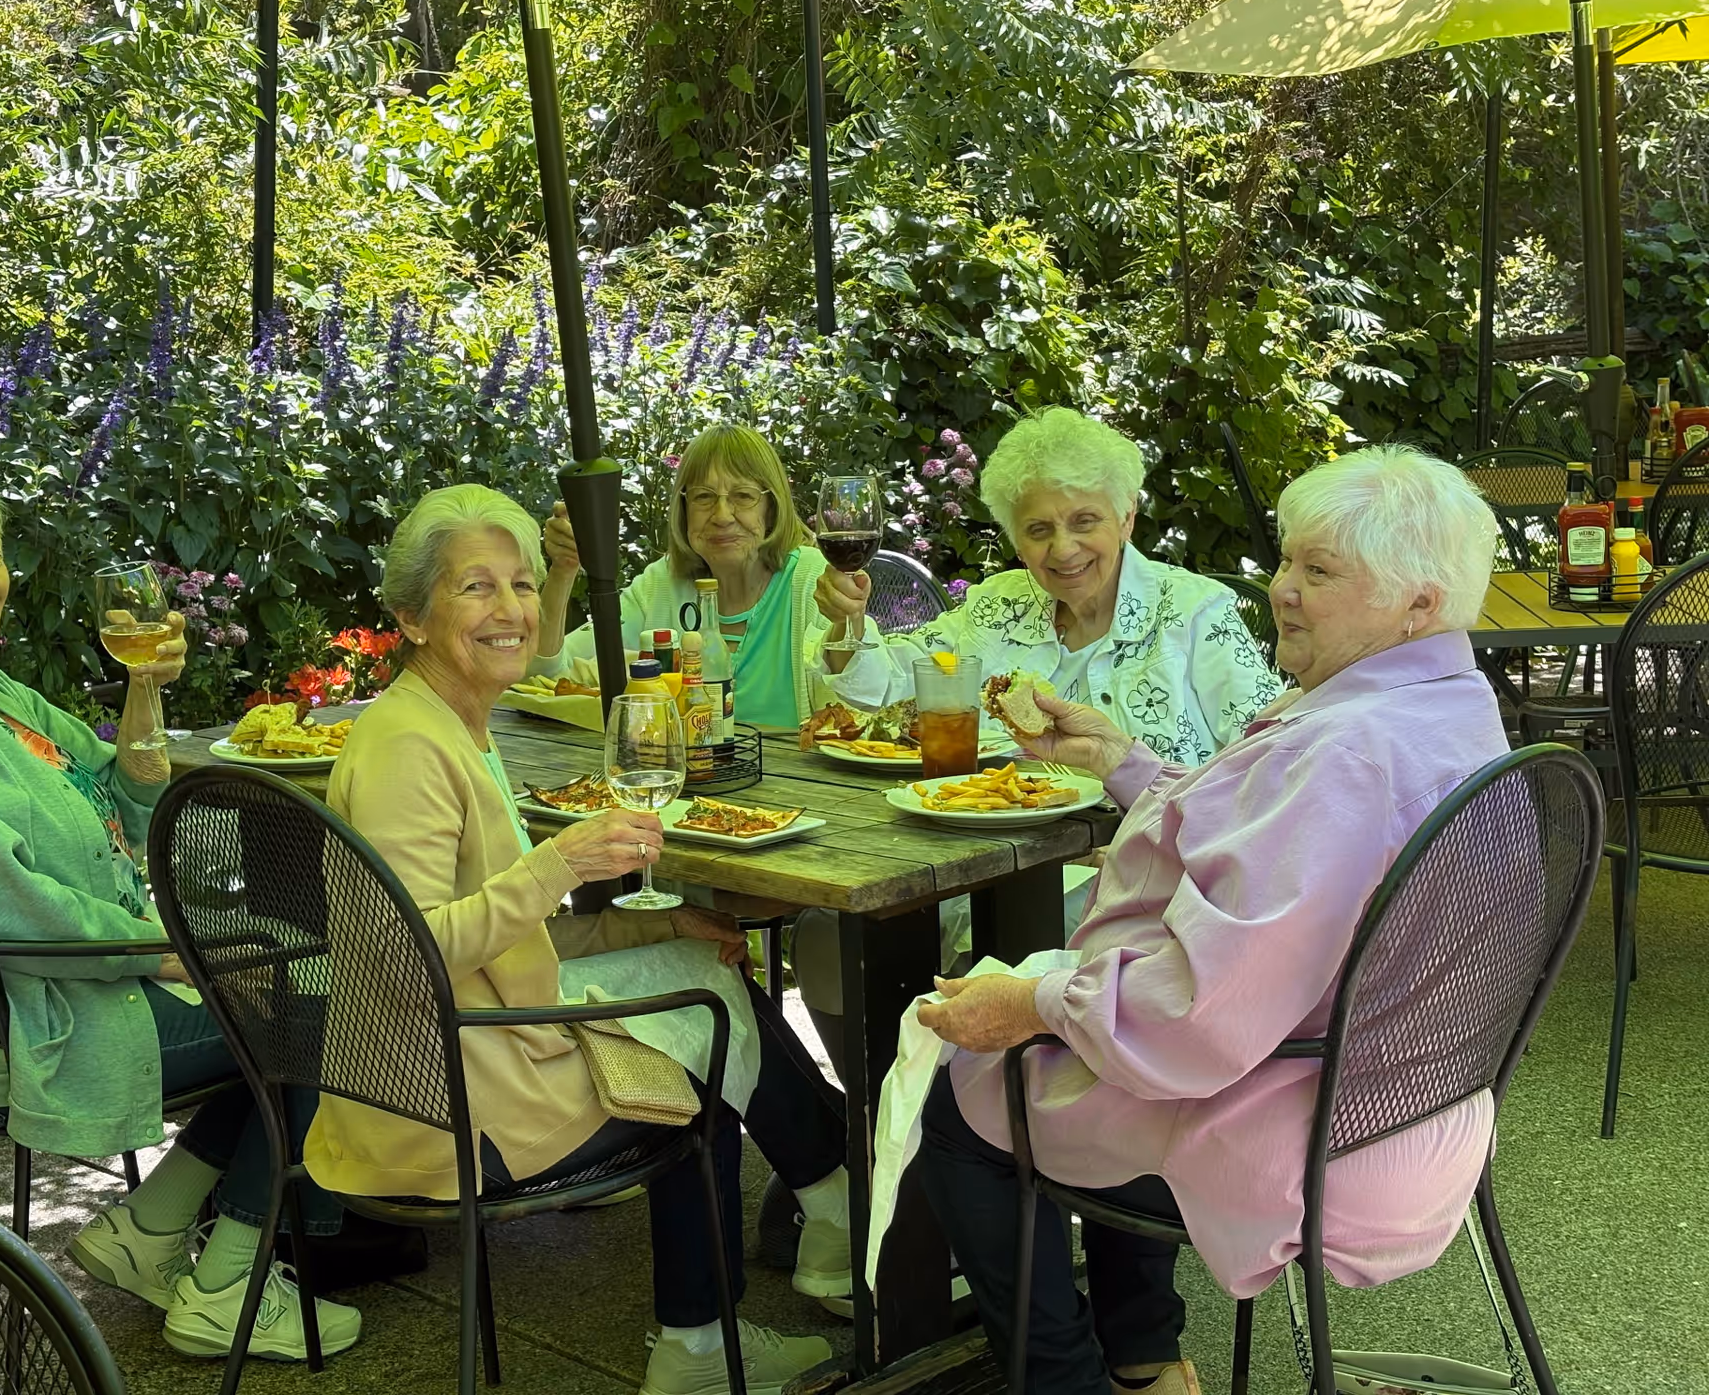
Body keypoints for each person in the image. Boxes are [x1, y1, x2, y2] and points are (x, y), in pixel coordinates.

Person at [908, 446, 1506, 1395]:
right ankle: (1144, 1358)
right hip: (1412, 1096)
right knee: (1075, 1025)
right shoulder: (1437, 702)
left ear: (1419, 605)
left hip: (1305, 1122)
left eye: (1319, 573)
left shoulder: (1347, 748)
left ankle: (1061, 1380)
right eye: (1288, 563)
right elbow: (1271, 844)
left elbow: (1197, 1013)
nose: (1283, 592)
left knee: (962, 1088)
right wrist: (1122, 760)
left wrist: (1035, 1002)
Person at [307, 483, 852, 1395]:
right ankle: (730, 1322)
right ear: (409, 616)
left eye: (521, 584)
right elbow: (409, 954)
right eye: (474, 588)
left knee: (703, 967)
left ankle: (822, 1220)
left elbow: (503, 934)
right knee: (703, 1056)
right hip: (446, 1095)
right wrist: (557, 863)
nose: (513, 608)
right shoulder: (408, 746)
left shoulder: (446, 723)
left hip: (455, 1047)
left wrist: (667, 920)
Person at [0, 468, 358, 1363]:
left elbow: (119, 790)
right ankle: (231, 1284)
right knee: (325, 999)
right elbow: (7, 901)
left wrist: (143, 686)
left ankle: (150, 1228)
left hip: (36, 980)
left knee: (300, 969)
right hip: (9, 1015)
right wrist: (159, 948)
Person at [792, 409, 1284, 1069]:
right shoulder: (999, 604)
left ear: (1126, 519)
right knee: (829, 937)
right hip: (975, 867)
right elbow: (896, 685)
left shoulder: (1193, 613)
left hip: (1127, 885)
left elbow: (1262, 762)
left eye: (1084, 521)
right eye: (1039, 529)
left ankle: (947, 1139)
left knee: (971, 965)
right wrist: (851, 624)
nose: (1063, 549)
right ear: (1017, 542)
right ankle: (873, 1139)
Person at [535, 423, 833, 730]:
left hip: (799, 779)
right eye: (703, 497)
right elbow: (546, 675)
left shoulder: (811, 579)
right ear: (683, 508)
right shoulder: (662, 583)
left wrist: (851, 620)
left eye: (743, 496)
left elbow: (871, 697)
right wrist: (563, 570)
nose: (721, 516)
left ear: (771, 508)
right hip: (678, 776)